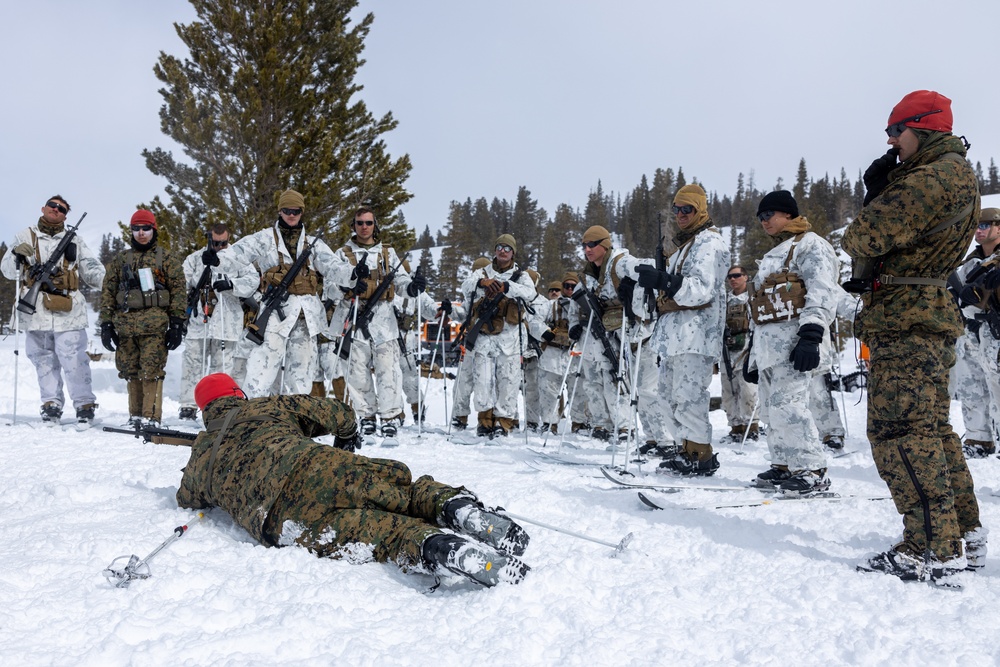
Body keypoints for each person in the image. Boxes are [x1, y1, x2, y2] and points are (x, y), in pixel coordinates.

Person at [176, 373, 529, 587]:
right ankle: (461, 511)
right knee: (404, 494)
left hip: (282, 520)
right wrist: (344, 440)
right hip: (321, 464)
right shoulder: (268, 406)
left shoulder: (202, 456)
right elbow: (339, 413)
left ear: (206, 412)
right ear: (239, 394)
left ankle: (446, 550)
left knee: (384, 534)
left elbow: (186, 497)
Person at [843, 90, 984, 580]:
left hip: (907, 317)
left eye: (894, 132)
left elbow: (864, 236)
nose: (889, 142)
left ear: (921, 130)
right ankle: (963, 531)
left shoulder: (931, 177)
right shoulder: (952, 172)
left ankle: (930, 546)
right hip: (923, 313)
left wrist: (876, 196)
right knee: (931, 429)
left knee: (899, 431)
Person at [206, 190, 342, 399]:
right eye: (287, 210)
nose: (291, 215)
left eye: (296, 211)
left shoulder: (313, 244)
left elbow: (334, 267)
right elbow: (240, 252)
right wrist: (218, 260)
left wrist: (353, 274)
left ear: (301, 212)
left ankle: (295, 421)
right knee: (261, 371)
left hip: (306, 318)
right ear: (280, 210)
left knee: (301, 375)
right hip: (273, 317)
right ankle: (253, 417)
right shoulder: (265, 239)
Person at [745, 191, 839, 494]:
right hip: (769, 348)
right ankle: (784, 463)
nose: (764, 222)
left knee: (790, 406)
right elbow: (759, 307)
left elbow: (822, 290)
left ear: (787, 214)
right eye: (760, 217)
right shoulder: (774, 254)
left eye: (768, 214)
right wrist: (751, 355)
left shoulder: (811, 245)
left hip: (795, 343)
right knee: (773, 409)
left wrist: (811, 335)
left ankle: (811, 469)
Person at [635, 185, 729, 475]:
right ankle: (684, 449)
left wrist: (665, 281)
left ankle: (699, 454)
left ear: (700, 209)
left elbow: (700, 290)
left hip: (696, 336)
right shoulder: (685, 246)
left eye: (687, 209)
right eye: (676, 209)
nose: (680, 215)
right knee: (668, 397)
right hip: (675, 338)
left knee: (689, 398)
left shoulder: (708, 244)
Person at [1, 195, 105, 426]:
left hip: (68, 312)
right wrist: (18, 254)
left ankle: (84, 405)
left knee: (75, 360)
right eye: (53, 206)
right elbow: (8, 271)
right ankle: (51, 404)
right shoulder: (24, 236)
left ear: (65, 216)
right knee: (43, 360)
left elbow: (91, 269)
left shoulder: (74, 240)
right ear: (43, 208)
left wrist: (110, 283)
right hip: (35, 311)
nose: (56, 210)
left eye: (62, 209)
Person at [328, 206, 425, 438]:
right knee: (356, 372)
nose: (364, 227)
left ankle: (390, 416)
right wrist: (347, 286)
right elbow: (329, 287)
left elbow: (400, 281)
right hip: (352, 317)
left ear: (375, 225)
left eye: (368, 223)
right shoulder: (341, 254)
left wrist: (412, 288)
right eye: (360, 223)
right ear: (353, 225)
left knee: (389, 372)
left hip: (384, 320)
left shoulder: (388, 253)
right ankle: (365, 415)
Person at [99, 210, 187, 427]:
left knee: (152, 370)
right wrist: (106, 324)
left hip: (154, 327)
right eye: (136, 228)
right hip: (126, 327)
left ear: (153, 230)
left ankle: (151, 417)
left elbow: (178, 291)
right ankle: (135, 416)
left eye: (145, 228)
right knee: (129, 370)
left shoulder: (165, 259)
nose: (141, 233)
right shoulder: (121, 260)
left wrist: (176, 324)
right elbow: (108, 292)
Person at [178, 224, 259, 421]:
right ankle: (188, 405)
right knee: (192, 363)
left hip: (227, 320)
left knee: (222, 366)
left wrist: (233, 285)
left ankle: (219, 403)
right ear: (209, 240)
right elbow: (181, 282)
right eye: (216, 243)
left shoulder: (238, 257)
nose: (220, 247)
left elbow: (253, 280)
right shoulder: (196, 258)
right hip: (200, 321)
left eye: (223, 243)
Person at [459, 235, 536, 437]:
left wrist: (507, 288)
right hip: (484, 336)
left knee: (508, 383)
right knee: (482, 382)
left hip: (510, 340)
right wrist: (483, 282)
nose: (503, 251)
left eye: (507, 248)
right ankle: (485, 421)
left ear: (513, 252)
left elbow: (530, 293)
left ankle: (504, 422)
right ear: (495, 250)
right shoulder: (482, 272)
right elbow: (465, 286)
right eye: (499, 247)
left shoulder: (521, 276)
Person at [949, 207, 1000, 458]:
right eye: (976, 227)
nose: (978, 231)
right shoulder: (970, 261)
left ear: (998, 227)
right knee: (971, 386)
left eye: (984, 226)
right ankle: (979, 439)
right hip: (971, 331)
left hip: (995, 330)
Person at [450, 257, 491, 431]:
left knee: (486, 383)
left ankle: (486, 419)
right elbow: (463, 313)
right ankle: (460, 416)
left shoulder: (495, 293)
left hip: (489, 344)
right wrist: (449, 309)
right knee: (462, 381)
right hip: (470, 342)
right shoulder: (471, 294)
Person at [719, 265, 759, 444]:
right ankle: (736, 426)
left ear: (745, 276)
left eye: (736, 275)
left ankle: (752, 426)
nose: (733, 279)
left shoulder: (753, 297)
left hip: (747, 350)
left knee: (748, 390)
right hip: (727, 352)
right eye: (729, 277)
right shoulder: (724, 301)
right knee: (729, 391)